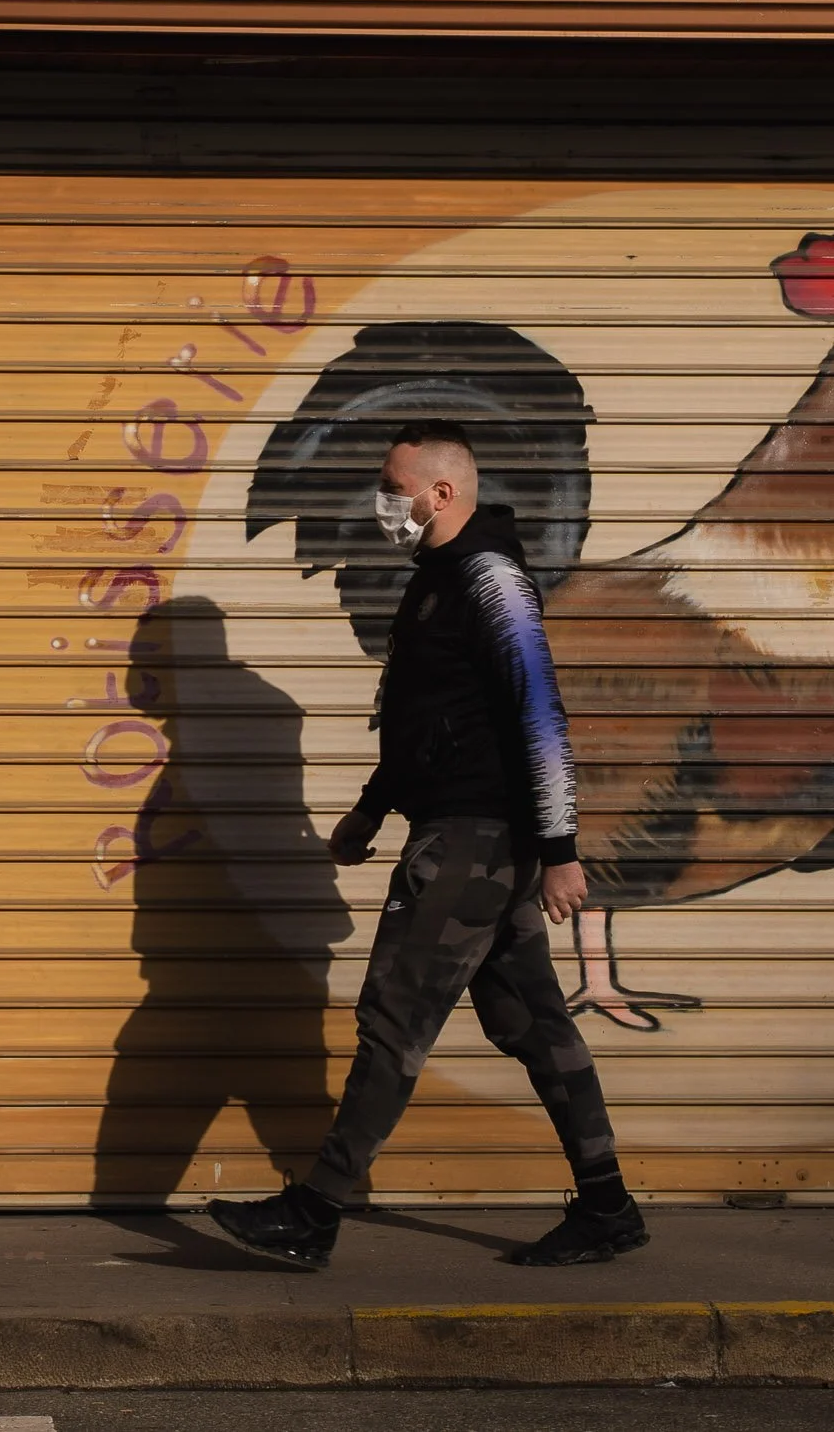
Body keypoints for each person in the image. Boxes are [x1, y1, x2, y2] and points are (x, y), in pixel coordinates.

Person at [207, 419, 645, 1271]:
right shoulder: (434, 583)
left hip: (475, 838)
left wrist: (561, 848)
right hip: (467, 832)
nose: (382, 501)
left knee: (395, 1015)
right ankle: (607, 1207)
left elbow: (540, 714)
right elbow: (421, 725)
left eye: (393, 486)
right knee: (534, 1024)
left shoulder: (491, 580)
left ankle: (315, 1210)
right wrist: (372, 810)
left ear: (441, 492)